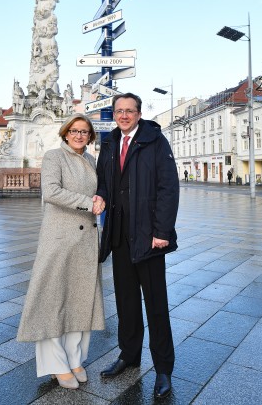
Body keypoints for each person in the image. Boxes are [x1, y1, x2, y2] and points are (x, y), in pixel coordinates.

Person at [95, 93, 179, 400]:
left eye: (130, 110)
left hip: (148, 238)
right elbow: (103, 181)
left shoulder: (154, 140)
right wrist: (100, 195)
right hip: (119, 238)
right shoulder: (109, 143)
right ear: (114, 114)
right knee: (126, 303)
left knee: (156, 306)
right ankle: (129, 355)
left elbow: (168, 187)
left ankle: (163, 369)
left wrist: (162, 231)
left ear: (139, 113)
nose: (124, 115)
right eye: (119, 111)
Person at [17, 114, 105, 390]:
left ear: (90, 137)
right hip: (59, 238)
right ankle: (56, 364)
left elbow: (97, 193)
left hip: (86, 241)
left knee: (81, 300)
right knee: (53, 300)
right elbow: (52, 191)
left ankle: (75, 359)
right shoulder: (55, 156)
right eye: (74, 131)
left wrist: (100, 199)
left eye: (84, 132)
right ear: (66, 133)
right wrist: (88, 203)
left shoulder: (91, 160)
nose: (79, 135)